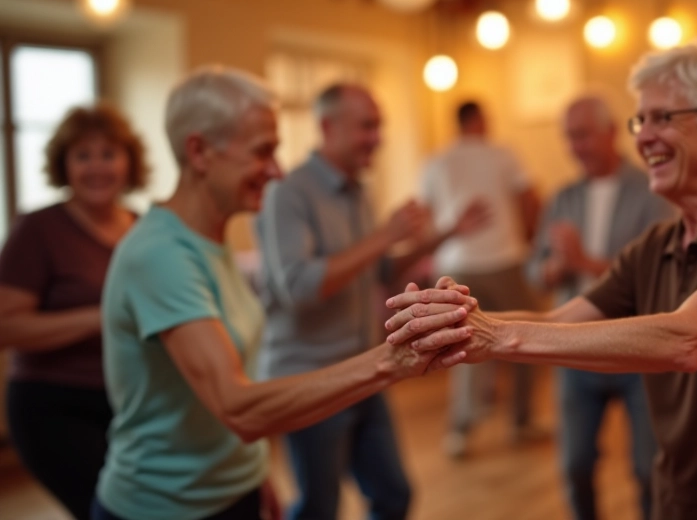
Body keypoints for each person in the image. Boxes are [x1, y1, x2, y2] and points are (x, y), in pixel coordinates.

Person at [387, 39, 697, 519]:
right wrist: (457, 321)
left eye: (663, 118)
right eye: (639, 121)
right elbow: (560, 318)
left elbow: (688, 337)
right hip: (681, 503)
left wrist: (498, 334)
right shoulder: (653, 249)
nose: (643, 137)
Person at [92, 67, 474, 520]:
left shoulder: (208, 242)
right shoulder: (161, 255)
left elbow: (229, 396)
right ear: (199, 151)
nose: (276, 170)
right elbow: (238, 407)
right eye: (263, 152)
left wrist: (256, 483)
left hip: (233, 491)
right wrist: (391, 360)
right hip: (165, 508)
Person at [255, 83, 488, 520]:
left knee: (393, 496)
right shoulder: (288, 192)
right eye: (367, 126)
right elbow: (299, 287)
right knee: (318, 509)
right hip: (310, 379)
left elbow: (378, 273)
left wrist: (447, 232)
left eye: (379, 126)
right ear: (328, 127)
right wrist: (384, 235)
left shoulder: (358, 189)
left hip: (365, 369)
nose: (378, 138)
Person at [526, 95, 674, 520]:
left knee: (649, 469)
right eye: (568, 137)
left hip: (635, 348)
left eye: (583, 135)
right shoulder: (562, 197)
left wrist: (584, 261)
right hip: (574, 350)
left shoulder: (651, 189)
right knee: (575, 466)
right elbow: (535, 269)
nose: (575, 146)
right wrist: (555, 268)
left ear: (611, 132)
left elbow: (659, 272)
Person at [0, 104, 146, 520]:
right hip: (53, 406)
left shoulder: (143, 226)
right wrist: (102, 316)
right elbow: (6, 327)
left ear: (128, 162)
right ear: (64, 165)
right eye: (83, 155)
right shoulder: (38, 228)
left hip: (129, 402)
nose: (97, 167)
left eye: (108, 154)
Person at [420, 100, 544, 458]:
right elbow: (530, 199)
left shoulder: (436, 161)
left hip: (456, 264)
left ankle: (461, 430)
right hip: (505, 258)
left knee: (459, 347)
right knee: (527, 339)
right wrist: (532, 238)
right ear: (477, 120)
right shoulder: (503, 154)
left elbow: (426, 217)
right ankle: (521, 421)